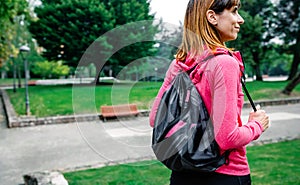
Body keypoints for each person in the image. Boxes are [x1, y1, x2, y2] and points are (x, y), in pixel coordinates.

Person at [149, 0, 270, 184]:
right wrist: (257, 125)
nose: (241, 20)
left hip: (183, 174)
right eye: (234, 11)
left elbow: (155, 119)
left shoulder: (180, 64)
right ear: (212, 17)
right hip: (225, 174)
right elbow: (227, 139)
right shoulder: (224, 63)